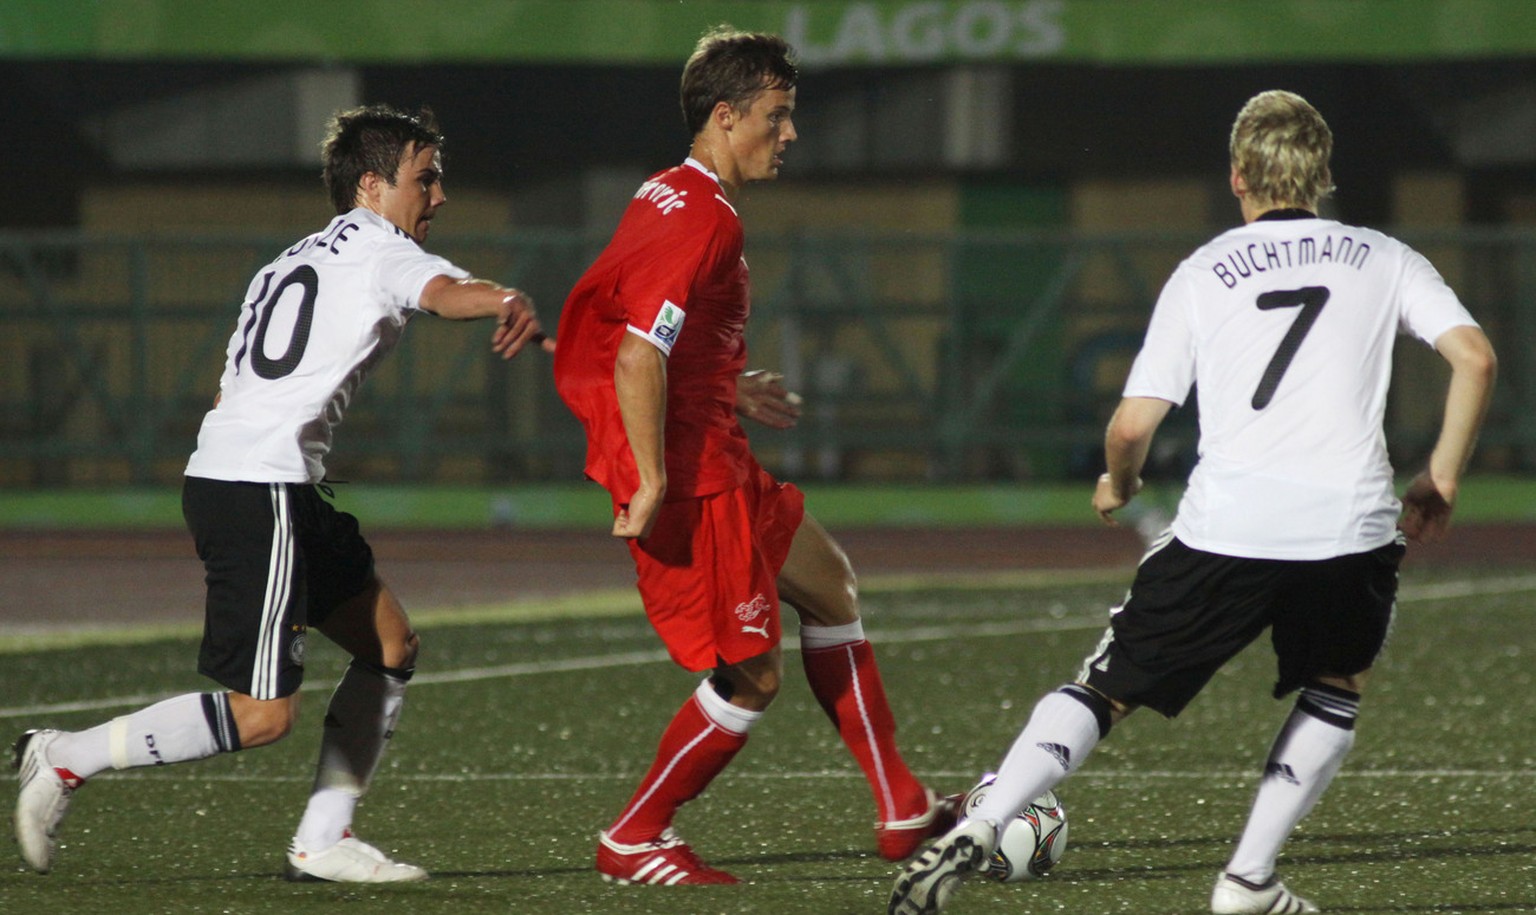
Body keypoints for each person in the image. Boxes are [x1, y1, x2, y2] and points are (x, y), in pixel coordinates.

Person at [890, 89, 1497, 915]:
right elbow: (1476, 358)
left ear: (1239, 175)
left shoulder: (1204, 271)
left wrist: (1121, 482)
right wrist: (1444, 476)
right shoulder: (1384, 256)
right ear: (1321, 175)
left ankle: (987, 818)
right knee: (1335, 680)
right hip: (1348, 525)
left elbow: (1132, 423)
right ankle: (1248, 877)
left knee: (1105, 689)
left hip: (1227, 526)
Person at [12, 104, 550, 882]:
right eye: (425, 179)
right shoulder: (381, 248)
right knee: (262, 715)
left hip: (271, 484)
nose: (439, 196)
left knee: (390, 645)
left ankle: (323, 838)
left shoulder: (294, 256)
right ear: (371, 185)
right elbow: (440, 291)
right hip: (257, 487)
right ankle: (63, 757)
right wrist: (502, 299)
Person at [553, 26, 956, 886]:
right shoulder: (699, 219)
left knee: (831, 583)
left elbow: (642, 327)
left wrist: (724, 385)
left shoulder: (665, 192)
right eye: (778, 115)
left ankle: (900, 804)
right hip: (697, 482)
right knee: (752, 675)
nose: (791, 133)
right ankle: (633, 834)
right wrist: (655, 475)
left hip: (721, 451)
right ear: (727, 116)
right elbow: (636, 355)